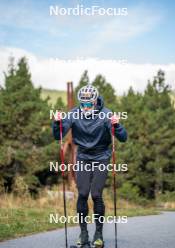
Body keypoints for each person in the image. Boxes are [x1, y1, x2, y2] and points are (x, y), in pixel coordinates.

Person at [52, 85, 127, 248]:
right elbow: (58, 134)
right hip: (83, 156)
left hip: (101, 156)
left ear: (95, 101)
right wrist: (57, 122)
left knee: (96, 194)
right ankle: (83, 233)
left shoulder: (106, 114)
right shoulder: (74, 114)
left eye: (89, 104)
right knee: (83, 193)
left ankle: (98, 234)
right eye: (83, 104)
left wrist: (117, 125)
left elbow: (123, 138)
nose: (85, 107)